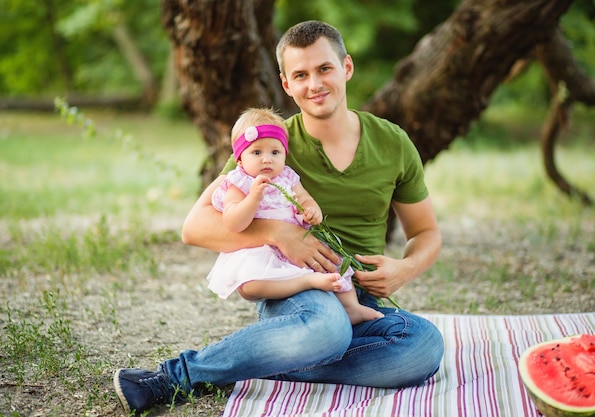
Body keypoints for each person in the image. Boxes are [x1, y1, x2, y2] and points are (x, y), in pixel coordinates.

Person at [113, 20, 444, 414]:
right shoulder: (267, 146)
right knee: (327, 329)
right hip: (296, 292)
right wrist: (276, 232)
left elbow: (425, 232)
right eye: (300, 75)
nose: (314, 84)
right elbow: (194, 227)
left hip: (361, 296)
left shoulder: (392, 141)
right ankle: (176, 377)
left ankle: (269, 359)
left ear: (347, 68)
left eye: (324, 69)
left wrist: (406, 268)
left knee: (422, 346)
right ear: (286, 84)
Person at [206, 106, 383, 325]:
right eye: (257, 152)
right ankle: (307, 282)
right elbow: (232, 222)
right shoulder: (239, 183)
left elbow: (304, 198)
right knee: (250, 285)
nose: (267, 159)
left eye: (275, 152)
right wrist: (252, 199)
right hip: (261, 252)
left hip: (299, 247)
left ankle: (351, 307)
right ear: (240, 159)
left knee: (333, 260)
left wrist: (311, 210)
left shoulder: (287, 177)